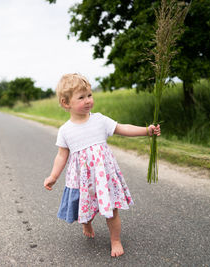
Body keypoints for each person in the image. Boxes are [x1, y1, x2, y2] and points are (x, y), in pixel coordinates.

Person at [43, 73, 161, 257]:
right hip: (83, 180)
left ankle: (115, 240)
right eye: (81, 97)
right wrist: (53, 176)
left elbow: (123, 128)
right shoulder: (65, 130)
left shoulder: (99, 120)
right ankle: (87, 222)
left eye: (89, 95)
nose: (88, 100)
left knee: (111, 210)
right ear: (66, 103)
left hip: (104, 177)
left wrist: (146, 131)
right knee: (85, 207)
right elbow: (61, 156)